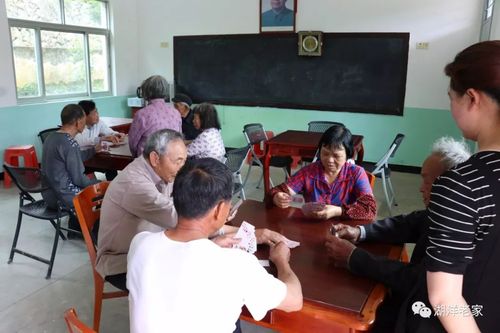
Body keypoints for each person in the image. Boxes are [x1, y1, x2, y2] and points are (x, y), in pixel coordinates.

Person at [97, 129, 288, 291]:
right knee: (199, 276)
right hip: (121, 262)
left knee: (210, 253)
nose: (182, 168)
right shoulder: (136, 184)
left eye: (184, 161)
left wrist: (248, 232)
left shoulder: (163, 174)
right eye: (178, 161)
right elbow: (185, 221)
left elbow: (187, 219)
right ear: (155, 158)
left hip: (155, 245)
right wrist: (234, 229)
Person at [127, 158, 303, 333]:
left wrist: (211, 245)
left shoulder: (140, 243)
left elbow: (179, 265)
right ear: (219, 209)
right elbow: (294, 301)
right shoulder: (237, 264)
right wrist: (281, 260)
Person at [401, 41, 500, 333]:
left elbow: (445, 297)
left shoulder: (462, 184)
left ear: (472, 98)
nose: (451, 108)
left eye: (451, 98)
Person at [324, 137, 471, 333]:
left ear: (451, 186)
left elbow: (419, 279)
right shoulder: (445, 211)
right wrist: (359, 231)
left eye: (428, 180)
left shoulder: (462, 227)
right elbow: (407, 223)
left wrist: (354, 257)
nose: (420, 188)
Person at [267, 125, 376, 220]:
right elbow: (277, 191)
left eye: (336, 156)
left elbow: (370, 210)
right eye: (325, 153)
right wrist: (276, 197)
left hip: (344, 229)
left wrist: (338, 211)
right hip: (312, 227)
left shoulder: (356, 173)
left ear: (348, 155)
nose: (330, 160)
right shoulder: (309, 172)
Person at [41, 104, 101, 236]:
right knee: (104, 191)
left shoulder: (51, 138)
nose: (85, 123)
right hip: (64, 198)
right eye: (84, 119)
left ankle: (75, 229)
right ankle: (93, 233)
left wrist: (93, 151)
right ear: (78, 122)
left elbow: (74, 156)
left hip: (49, 195)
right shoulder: (70, 143)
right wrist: (100, 184)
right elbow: (79, 179)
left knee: (94, 185)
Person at [128, 75, 182, 157]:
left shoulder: (141, 114)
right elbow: (178, 138)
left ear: (146, 91)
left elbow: (133, 143)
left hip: (148, 162)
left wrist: (136, 157)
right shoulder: (175, 113)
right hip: (170, 160)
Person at [74, 100, 126, 180]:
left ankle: (111, 187)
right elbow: (82, 140)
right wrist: (102, 139)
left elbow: (108, 131)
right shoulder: (77, 126)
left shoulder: (98, 123)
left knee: (111, 164)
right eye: (94, 113)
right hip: (82, 160)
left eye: (97, 111)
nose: (97, 115)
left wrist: (116, 134)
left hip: (95, 156)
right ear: (84, 116)